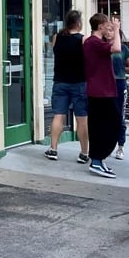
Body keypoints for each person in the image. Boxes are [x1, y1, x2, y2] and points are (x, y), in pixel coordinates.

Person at [44, 9, 89, 163]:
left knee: (58, 116)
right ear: (79, 23)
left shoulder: (57, 38)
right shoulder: (83, 40)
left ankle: (53, 148)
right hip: (79, 82)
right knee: (82, 119)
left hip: (60, 81)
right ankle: (84, 152)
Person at [83, 13, 122, 178]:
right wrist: (118, 30)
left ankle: (98, 159)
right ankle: (97, 159)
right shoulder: (94, 42)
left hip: (101, 91)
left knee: (103, 125)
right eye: (107, 26)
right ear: (100, 26)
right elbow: (117, 48)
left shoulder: (93, 43)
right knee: (109, 125)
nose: (109, 29)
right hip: (101, 92)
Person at [112, 28, 129, 160]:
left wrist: (121, 68)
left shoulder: (123, 48)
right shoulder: (105, 47)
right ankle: (107, 144)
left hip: (119, 82)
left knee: (120, 115)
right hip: (106, 83)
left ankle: (120, 146)